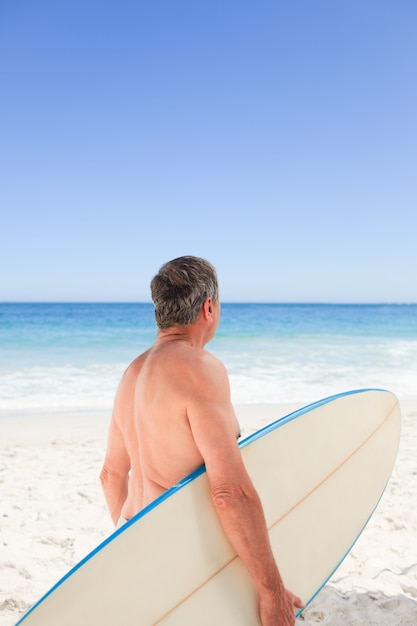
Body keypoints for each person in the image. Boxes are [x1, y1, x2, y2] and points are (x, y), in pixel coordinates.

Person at [100, 255, 304, 625]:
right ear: (208, 307)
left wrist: (130, 550)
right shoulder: (199, 368)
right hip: (185, 555)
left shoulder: (132, 373)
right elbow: (229, 492)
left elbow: (111, 476)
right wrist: (272, 590)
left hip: (136, 540)